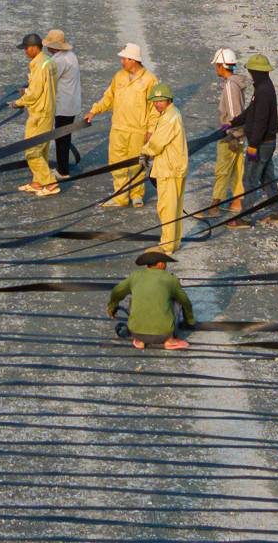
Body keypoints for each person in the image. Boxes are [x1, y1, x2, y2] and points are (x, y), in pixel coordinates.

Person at [85, 43, 160, 207]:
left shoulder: (150, 81)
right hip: (118, 129)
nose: (121, 62)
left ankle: (137, 195)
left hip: (137, 131)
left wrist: (151, 130)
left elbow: (155, 108)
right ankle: (120, 197)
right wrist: (94, 111)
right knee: (116, 163)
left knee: (137, 163)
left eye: (124, 59)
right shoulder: (119, 76)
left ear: (133, 60)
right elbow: (109, 98)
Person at [226, 54, 278, 227]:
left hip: (261, 144)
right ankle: (277, 212)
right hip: (265, 143)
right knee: (266, 177)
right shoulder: (263, 87)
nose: (249, 74)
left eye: (250, 71)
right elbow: (251, 112)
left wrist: (253, 146)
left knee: (250, 179)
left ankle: (245, 217)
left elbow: (261, 121)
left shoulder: (264, 91)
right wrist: (233, 122)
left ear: (255, 72)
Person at [107, 250, 193, 350]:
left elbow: (116, 291)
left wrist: (112, 307)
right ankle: (170, 340)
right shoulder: (170, 279)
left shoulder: (135, 276)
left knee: (135, 297)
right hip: (164, 334)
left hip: (137, 333)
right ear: (161, 264)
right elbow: (185, 301)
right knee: (176, 299)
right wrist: (189, 320)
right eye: (165, 262)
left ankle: (140, 341)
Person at [140, 82, 190, 252]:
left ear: (169, 100)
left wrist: (145, 152)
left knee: (167, 209)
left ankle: (167, 245)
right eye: (155, 100)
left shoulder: (168, 118)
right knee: (174, 208)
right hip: (175, 167)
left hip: (169, 170)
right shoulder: (172, 113)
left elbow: (156, 143)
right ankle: (174, 242)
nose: (157, 103)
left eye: (161, 100)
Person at [14, 33, 61, 195]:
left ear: (35, 48)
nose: (25, 51)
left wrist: (18, 103)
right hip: (48, 110)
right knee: (42, 149)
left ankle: (50, 184)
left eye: (26, 48)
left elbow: (34, 93)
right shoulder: (49, 61)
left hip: (39, 113)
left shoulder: (40, 66)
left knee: (31, 151)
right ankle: (37, 182)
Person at [205, 49, 246, 216]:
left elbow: (234, 114)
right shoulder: (238, 83)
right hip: (241, 134)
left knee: (222, 171)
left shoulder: (230, 86)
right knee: (237, 170)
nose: (216, 68)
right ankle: (237, 202)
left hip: (231, 136)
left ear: (222, 66)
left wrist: (234, 136)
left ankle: (214, 206)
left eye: (217, 65)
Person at [45, 29, 82, 175]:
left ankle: (63, 171)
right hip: (72, 102)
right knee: (65, 137)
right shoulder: (71, 56)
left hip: (63, 104)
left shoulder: (58, 61)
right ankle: (63, 167)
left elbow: (49, 81)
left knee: (61, 138)